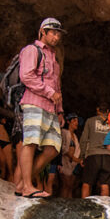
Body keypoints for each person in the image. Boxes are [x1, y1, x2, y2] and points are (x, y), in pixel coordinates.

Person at [14, 18, 65, 198]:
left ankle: (22, 183)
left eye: (58, 33)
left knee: (53, 147)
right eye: (53, 32)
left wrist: (60, 110)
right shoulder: (32, 50)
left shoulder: (54, 57)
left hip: (51, 108)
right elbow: (26, 76)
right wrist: (49, 92)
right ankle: (27, 186)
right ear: (42, 32)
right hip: (34, 102)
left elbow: (57, 86)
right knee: (31, 142)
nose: (56, 36)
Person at [79, 104, 110, 197]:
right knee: (105, 184)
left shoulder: (90, 121)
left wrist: (82, 156)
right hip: (108, 156)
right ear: (108, 111)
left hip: (93, 155)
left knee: (87, 183)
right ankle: (104, 209)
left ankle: (84, 207)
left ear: (97, 110)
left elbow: (83, 140)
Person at [55, 113, 82, 198]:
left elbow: (77, 150)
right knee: (65, 185)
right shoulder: (64, 132)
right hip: (64, 162)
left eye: (77, 121)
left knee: (70, 186)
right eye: (74, 121)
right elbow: (63, 149)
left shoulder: (75, 136)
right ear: (68, 122)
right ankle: (62, 204)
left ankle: (69, 205)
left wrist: (76, 160)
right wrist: (77, 160)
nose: (76, 123)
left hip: (72, 164)